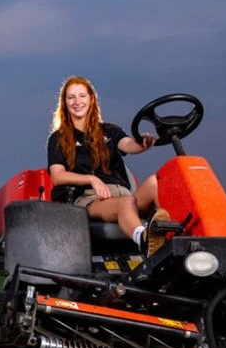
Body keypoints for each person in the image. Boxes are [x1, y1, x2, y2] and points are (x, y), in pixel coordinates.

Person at [47, 75, 169, 256]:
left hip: (127, 196)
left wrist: (143, 143)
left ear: (91, 99)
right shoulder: (59, 138)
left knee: (156, 182)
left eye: (82, 96)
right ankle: (145, 241)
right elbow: (58, 176)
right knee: (126, 203)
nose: (77, 101)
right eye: (71, 97)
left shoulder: (110, 130)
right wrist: (92, 179)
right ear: (64, 103)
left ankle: (179, 238)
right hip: (92, 199)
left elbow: (128, 144)